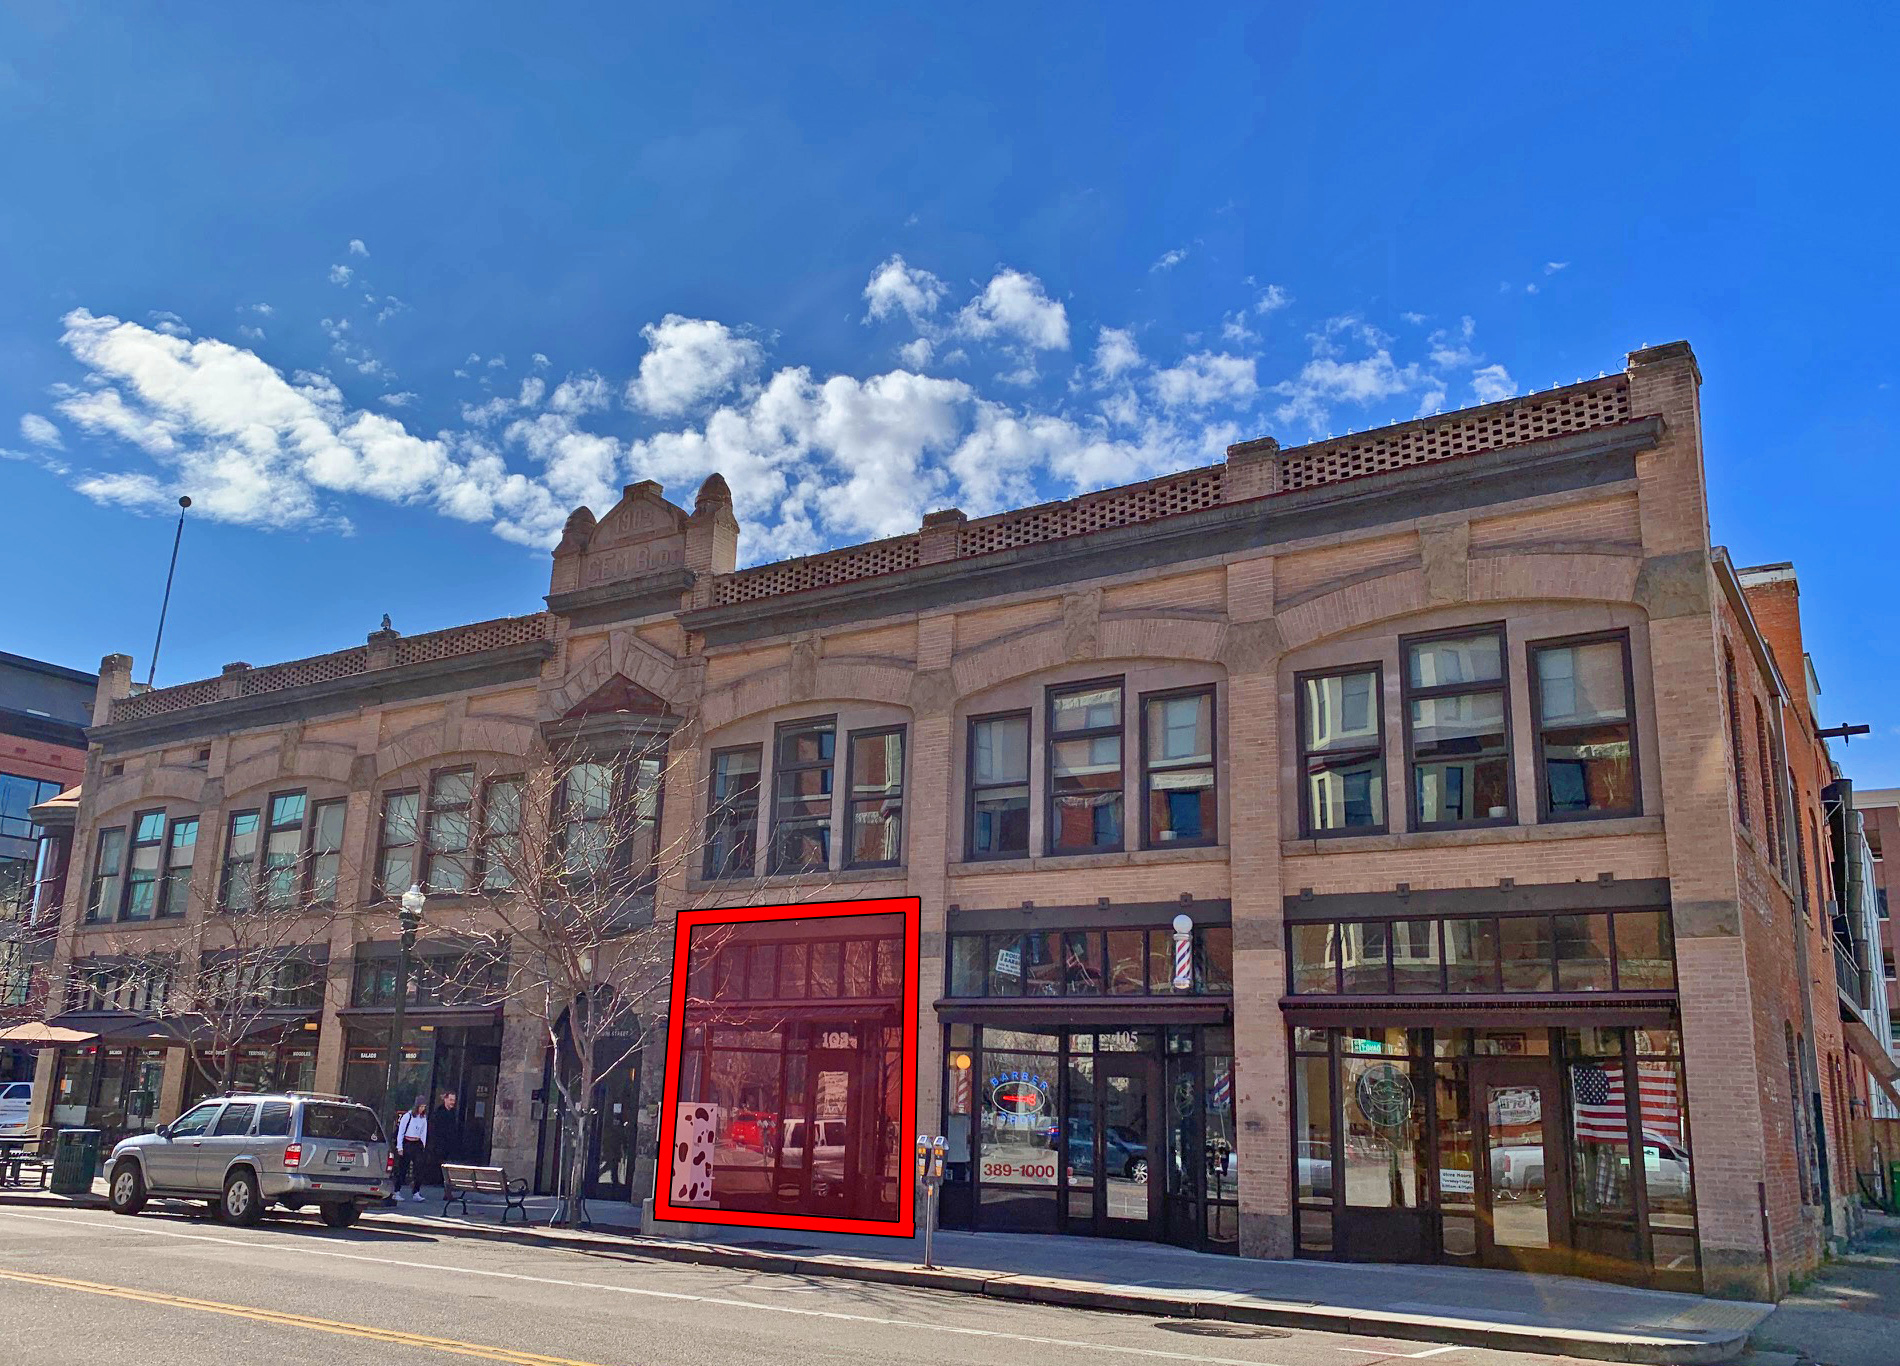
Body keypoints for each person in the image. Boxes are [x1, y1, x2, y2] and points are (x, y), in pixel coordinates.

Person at [392, 1097, 429, 1201]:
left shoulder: (423, 1118)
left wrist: (423, 1145)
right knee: (403, 1168)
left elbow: (423, 1132)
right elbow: (401, 1132)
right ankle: (397, 1191)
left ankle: (416, 1192)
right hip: (407, 1142)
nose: (422, 1109)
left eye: (424, 1107)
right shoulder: (407, 1116)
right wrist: (400, 1147)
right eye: (421, 1106)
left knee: (419, 1169)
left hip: (417, 1143)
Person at [427, 1090, 463, 1180]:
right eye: (451, 1100)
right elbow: (434, 1130)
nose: (453, 1102)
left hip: (449, 1145)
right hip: (439, 1145)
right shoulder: (438, 1113)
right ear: (445, 1099)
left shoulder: (453, 1113)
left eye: (454, 1100)